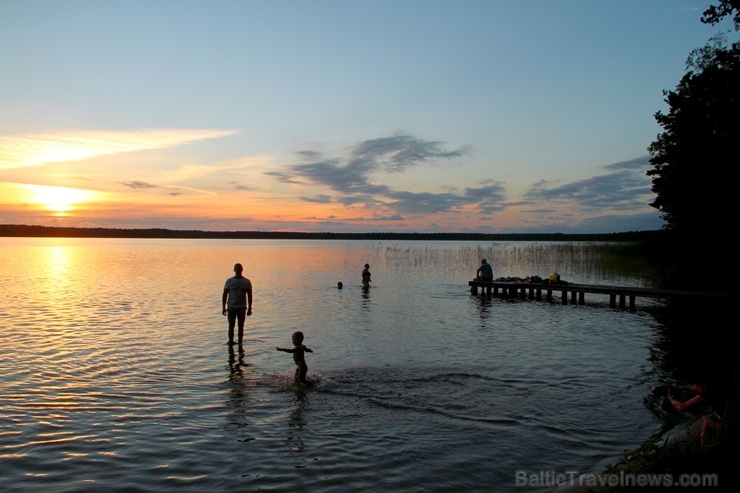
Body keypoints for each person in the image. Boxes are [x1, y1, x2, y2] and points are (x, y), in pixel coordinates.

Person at [666, 382, 722, 446]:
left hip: (729, 426)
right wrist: (680, 387)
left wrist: (670, 399)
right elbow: (698, 389)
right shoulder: (718, 386)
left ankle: (704, 448)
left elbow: (681, 407)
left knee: (707, 421)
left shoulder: (709, 392)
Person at [222, 263, 253, 346]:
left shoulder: (246, 282)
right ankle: (231, 342)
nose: (238, 270)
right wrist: (223, 307)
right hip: (231, 308)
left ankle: (240, 343)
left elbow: (250, 295)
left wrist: (250, 308)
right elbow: (225, 294)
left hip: (242, 308)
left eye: (240, 268)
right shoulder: (229, 281)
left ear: (242, 269)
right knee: (231, 326)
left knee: (241, 326)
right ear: (234, 270)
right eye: (237, 268)